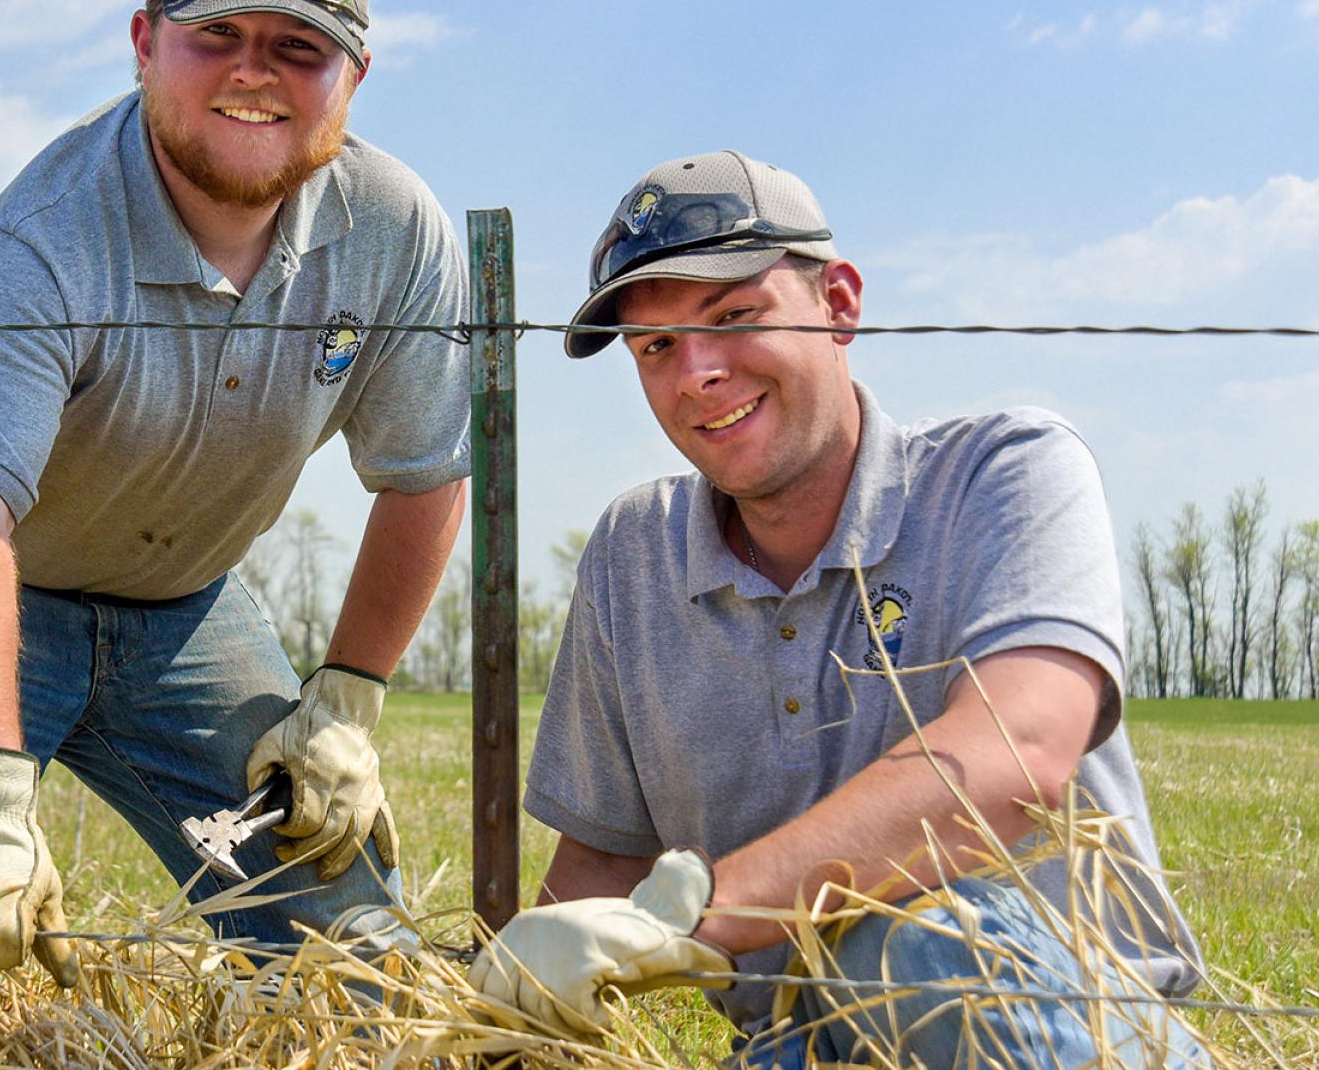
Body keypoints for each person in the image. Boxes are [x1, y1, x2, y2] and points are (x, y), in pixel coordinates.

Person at [0, 0, 470, 984]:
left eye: (300, 48)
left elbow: (423, 474)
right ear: (145, 43)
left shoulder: (395, 230)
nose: (255, 71)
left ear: (355, 75)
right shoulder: (38, 242)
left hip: (180, 602)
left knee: (351, 964)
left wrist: (348, 694)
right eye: (217, 35)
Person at [469, 152, 1204, 1068]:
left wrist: (687, 914)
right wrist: (501, 1014)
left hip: (1062, 1024)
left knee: (917, 944)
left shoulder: (1004, 472)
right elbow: (600, 872)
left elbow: (1017, 757)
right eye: (655, 346)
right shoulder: (635, 554)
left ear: (840, 304)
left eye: (734, 316)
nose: (696, 372)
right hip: (803, 1048)